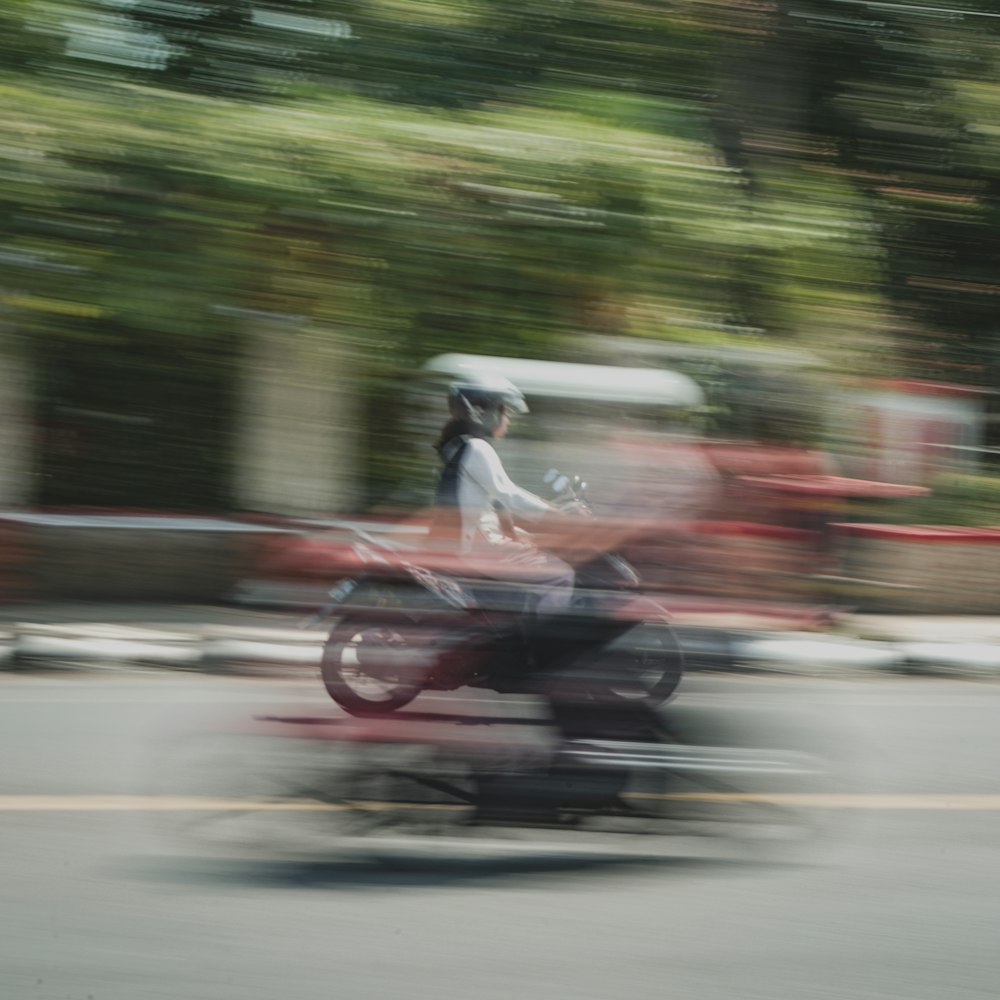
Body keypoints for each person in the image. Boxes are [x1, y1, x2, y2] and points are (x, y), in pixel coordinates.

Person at [432, 374, 576, 615]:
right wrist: (561, 517)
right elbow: (509, 494)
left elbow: (491, 507)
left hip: (469, 547)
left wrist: (522, 533)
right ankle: (545, 650)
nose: (507, 418)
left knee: (539, 552)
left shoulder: (459, 447)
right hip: (476, 552)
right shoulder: (477, 448)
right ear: (483, 411)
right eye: (504, 411)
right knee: (561, 577)